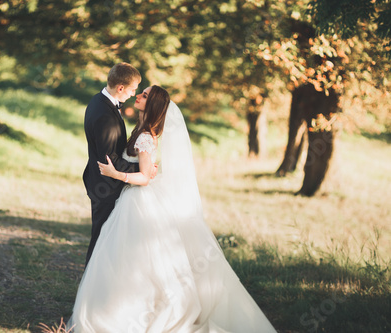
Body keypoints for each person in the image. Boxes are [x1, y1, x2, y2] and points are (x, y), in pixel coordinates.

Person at [70, 85, 277, 332]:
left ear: (152, 105)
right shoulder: (140, 130)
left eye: (144, 95)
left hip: (139, 199)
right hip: (132, 200)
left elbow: (145, 177)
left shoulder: (146, 136)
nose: (139, 96)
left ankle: (138, 311)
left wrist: (116, 174)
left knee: (139, 259)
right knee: (130, 259)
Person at [82, 62, 142, 265]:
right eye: (133, 90)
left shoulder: (98, 100)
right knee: (101, 240)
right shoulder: (104, 115)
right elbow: (110, 161)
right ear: (121, 88)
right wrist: (142, 170)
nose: (134, 95)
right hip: (105, 187)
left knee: (107, 239)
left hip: (103, 184)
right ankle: (91, 290)